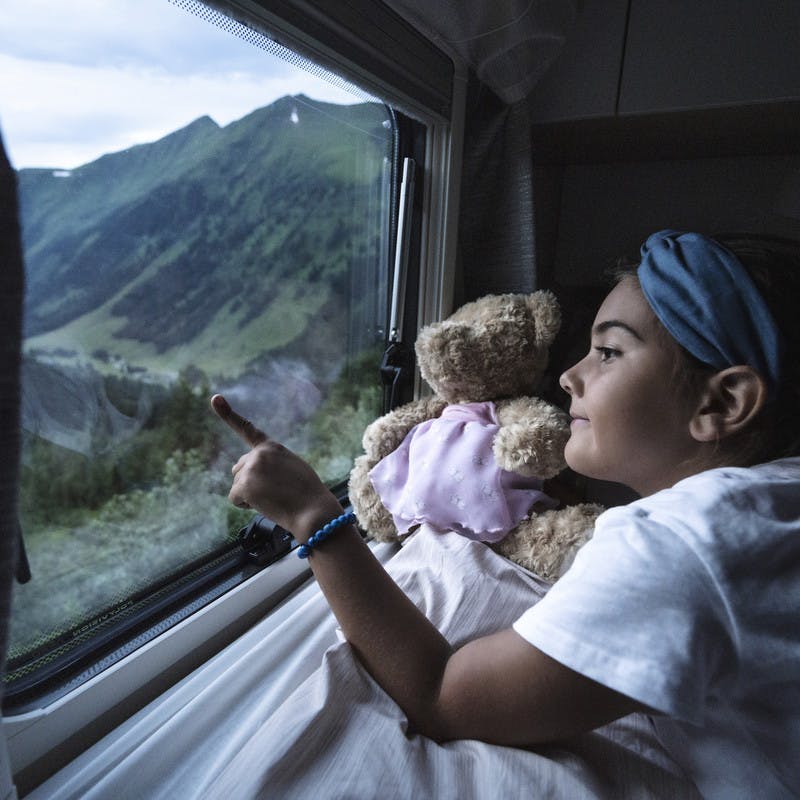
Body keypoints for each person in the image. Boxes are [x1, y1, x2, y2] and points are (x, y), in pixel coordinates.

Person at [211, 230, 800, 799]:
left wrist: (313, 515)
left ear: (722, 402)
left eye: (609, 352)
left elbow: (442, 696)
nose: (571, 376)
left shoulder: (681, 546)